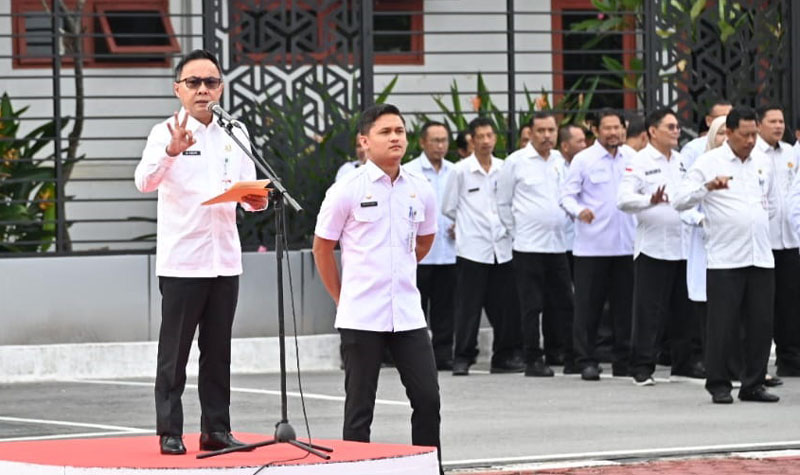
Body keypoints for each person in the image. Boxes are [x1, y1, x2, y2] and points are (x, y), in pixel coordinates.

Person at [134, 49, 268, 455]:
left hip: (224, 258)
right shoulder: (165, 132)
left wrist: (255, 200)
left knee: (218, 350)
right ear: (178, 89)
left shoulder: (235, 132)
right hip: (184, 260)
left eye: (210, 82)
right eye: (193, 83)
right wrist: (172, 152)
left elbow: (246, 187)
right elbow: (144, 181)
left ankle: (216, 429)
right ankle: (170, 430)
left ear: (221, 87)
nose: (203, 90)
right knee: (174, 352)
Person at [312, 104, 443, 471]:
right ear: (365, 141)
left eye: (400, 131)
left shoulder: (421, 189)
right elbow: (322, 247)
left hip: (407, 313)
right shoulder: (346, 189)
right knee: (359, 408)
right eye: (386, 132)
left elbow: (424, 240)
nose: (395, 138)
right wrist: (343, 298)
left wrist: (398, 271)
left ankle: (428, 468)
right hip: (361, 315)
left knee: (428, 399)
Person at [674, 106, 779, 404]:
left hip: (760, 254)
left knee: (760, 323)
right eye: (744, 135)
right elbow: (680, 200)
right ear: (729, 132)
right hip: (725, 257)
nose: (750, 141)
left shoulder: (762, 161)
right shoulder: (709, 162)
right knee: (723, 323)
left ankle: (753, 383)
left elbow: (767, 199)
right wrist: (707, 188)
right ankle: (719, 383)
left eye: (754, 135)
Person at [617, 108, 699, 386]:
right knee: (649, 312)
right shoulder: (638, 161)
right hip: (653, 247)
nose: (677, 132)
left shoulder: (680, 161)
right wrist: (649, 200)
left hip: (683, 245)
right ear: (653, 131)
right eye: (671, 127)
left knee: (683, 310)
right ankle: (641, 366)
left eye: (677, 127)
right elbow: (623, 200)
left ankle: (683, 363)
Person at [442, 117, 524, 376]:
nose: (486, 141)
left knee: (505, 307)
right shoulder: (460, 171)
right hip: (472, 250)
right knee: (468, 308)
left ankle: (504, 356)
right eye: (481, 136)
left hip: (502, 248)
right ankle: (463, 357)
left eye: (490, 135)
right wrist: (466, 228)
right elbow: (448, 207)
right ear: (472, 140)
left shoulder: (505, 168)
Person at [559, 109, 636, 381]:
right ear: (596, 130)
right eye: (608, 128)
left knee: (624, 308)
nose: (613, 133)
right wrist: (579, 211)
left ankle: (623, 360)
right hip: (592, 248)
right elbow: (566, 196)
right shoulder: (584, 160)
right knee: (588, 308)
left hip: (626, 247)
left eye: (618, 127)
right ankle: (586, 359)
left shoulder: (632, 158)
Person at [497, 112, 574, 377]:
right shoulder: (516, 162)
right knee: (531, 306)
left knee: (563, 301)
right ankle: (532, 357)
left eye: (551, 130)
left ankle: (561, 351)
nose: (546, 136)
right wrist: (515, 232)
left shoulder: (560, 162)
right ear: (530, 133)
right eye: (541, 131)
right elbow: (503, 203)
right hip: (528, 246)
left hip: (557, 244)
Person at [404, 121, 457, 371]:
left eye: (444, 140)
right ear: (423, 142)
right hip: (420, 252)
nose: (440, 145)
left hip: (449, 251)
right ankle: (414, 355)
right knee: (416, 308)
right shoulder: (409, 172)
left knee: (445, 309)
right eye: (435, 140)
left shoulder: (455, 171)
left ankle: (444, 354)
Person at [756, 105, 800, 378]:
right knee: (762, 305)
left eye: (781, 121)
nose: (778, 126)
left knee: (790, 303)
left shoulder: (790, 153)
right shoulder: (753, 155)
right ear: (759, 125)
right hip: (764, 240)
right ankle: (758, 363)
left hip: (789, 239)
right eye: (772, 121)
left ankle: (790, 358)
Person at [681, 99, 733, 165]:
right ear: (708, 120)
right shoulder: (693, 149)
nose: (726, 120)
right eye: (722, 116)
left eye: (730, 117)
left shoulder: (742, 145)